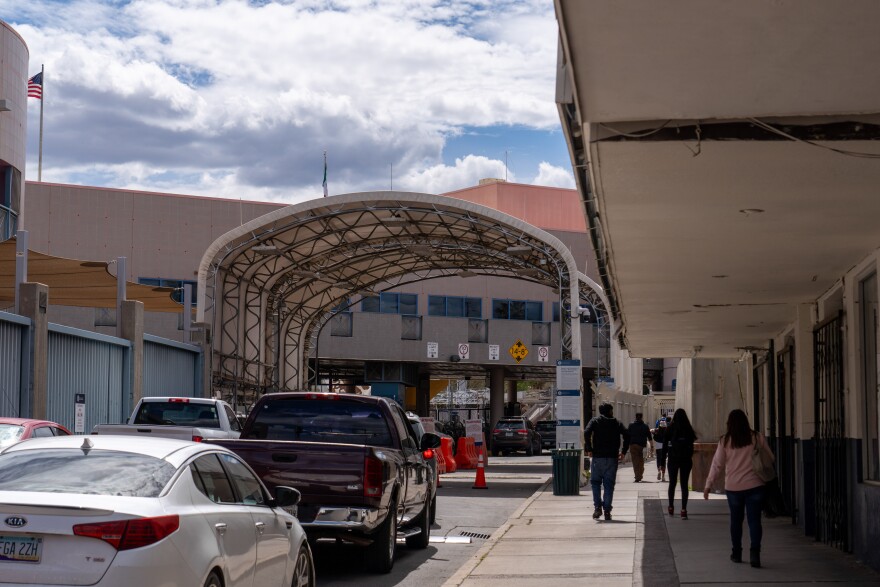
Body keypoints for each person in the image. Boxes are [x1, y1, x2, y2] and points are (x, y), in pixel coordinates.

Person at [704, 409, 774, 568]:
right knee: (754, 520)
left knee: (736, 521)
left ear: (730, 423)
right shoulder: (757, 437)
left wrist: (708, 485)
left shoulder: (725, 441)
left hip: (733, 488)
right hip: (756, 485)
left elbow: (717, 465)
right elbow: (770, 458)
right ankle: (755, 554)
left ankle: (736, 553)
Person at [584, 402, 630, 521]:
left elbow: (586, 432)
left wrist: (589, 449)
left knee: (595, 483)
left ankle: (597, 507)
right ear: (609, 411)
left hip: (597, 457)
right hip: (612, 458)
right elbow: (627, 435)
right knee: (609, 485)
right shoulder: (617, 423)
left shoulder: (595, 421)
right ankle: (607, 511)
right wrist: (623, 451)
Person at [666, 408, 697, 519]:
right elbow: (692, 446)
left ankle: (670, 507)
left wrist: (661, 463)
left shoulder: (670, 429)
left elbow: (665, 446)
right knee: (684, 485)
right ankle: (683, 510)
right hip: (686, 461)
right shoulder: (688, 429)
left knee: (672, 483)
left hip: (673, 460)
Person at [627, 413, 651, 482]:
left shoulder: (631, 425)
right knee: (641, 462)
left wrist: (626, 445)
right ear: (642, 417)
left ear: (636, 417)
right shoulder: (645, 426)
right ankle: (639, 475)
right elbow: (649, 437)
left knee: (635, 462)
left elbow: (627, 435)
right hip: (641, 447)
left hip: (633, 445)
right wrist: (652, 446)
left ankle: (638, 476)